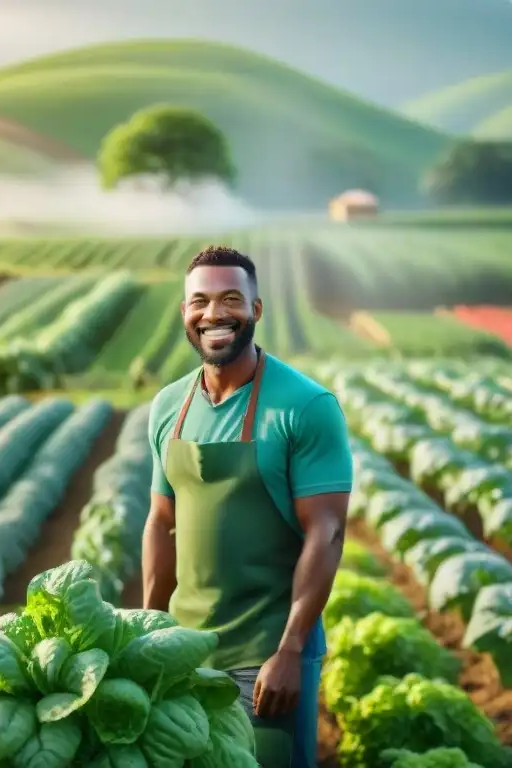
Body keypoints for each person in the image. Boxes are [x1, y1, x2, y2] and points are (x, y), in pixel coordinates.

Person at [141, 244, 353, 768]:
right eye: (200, 302)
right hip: (184, 655)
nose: (214, 314)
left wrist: (290, 650)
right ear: (185, 314)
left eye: (231, 299)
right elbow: (161, 522)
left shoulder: (305, 406)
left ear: (256, 310)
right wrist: (148, 631)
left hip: (265, 658)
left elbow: (325, 533)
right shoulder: (170, 405)